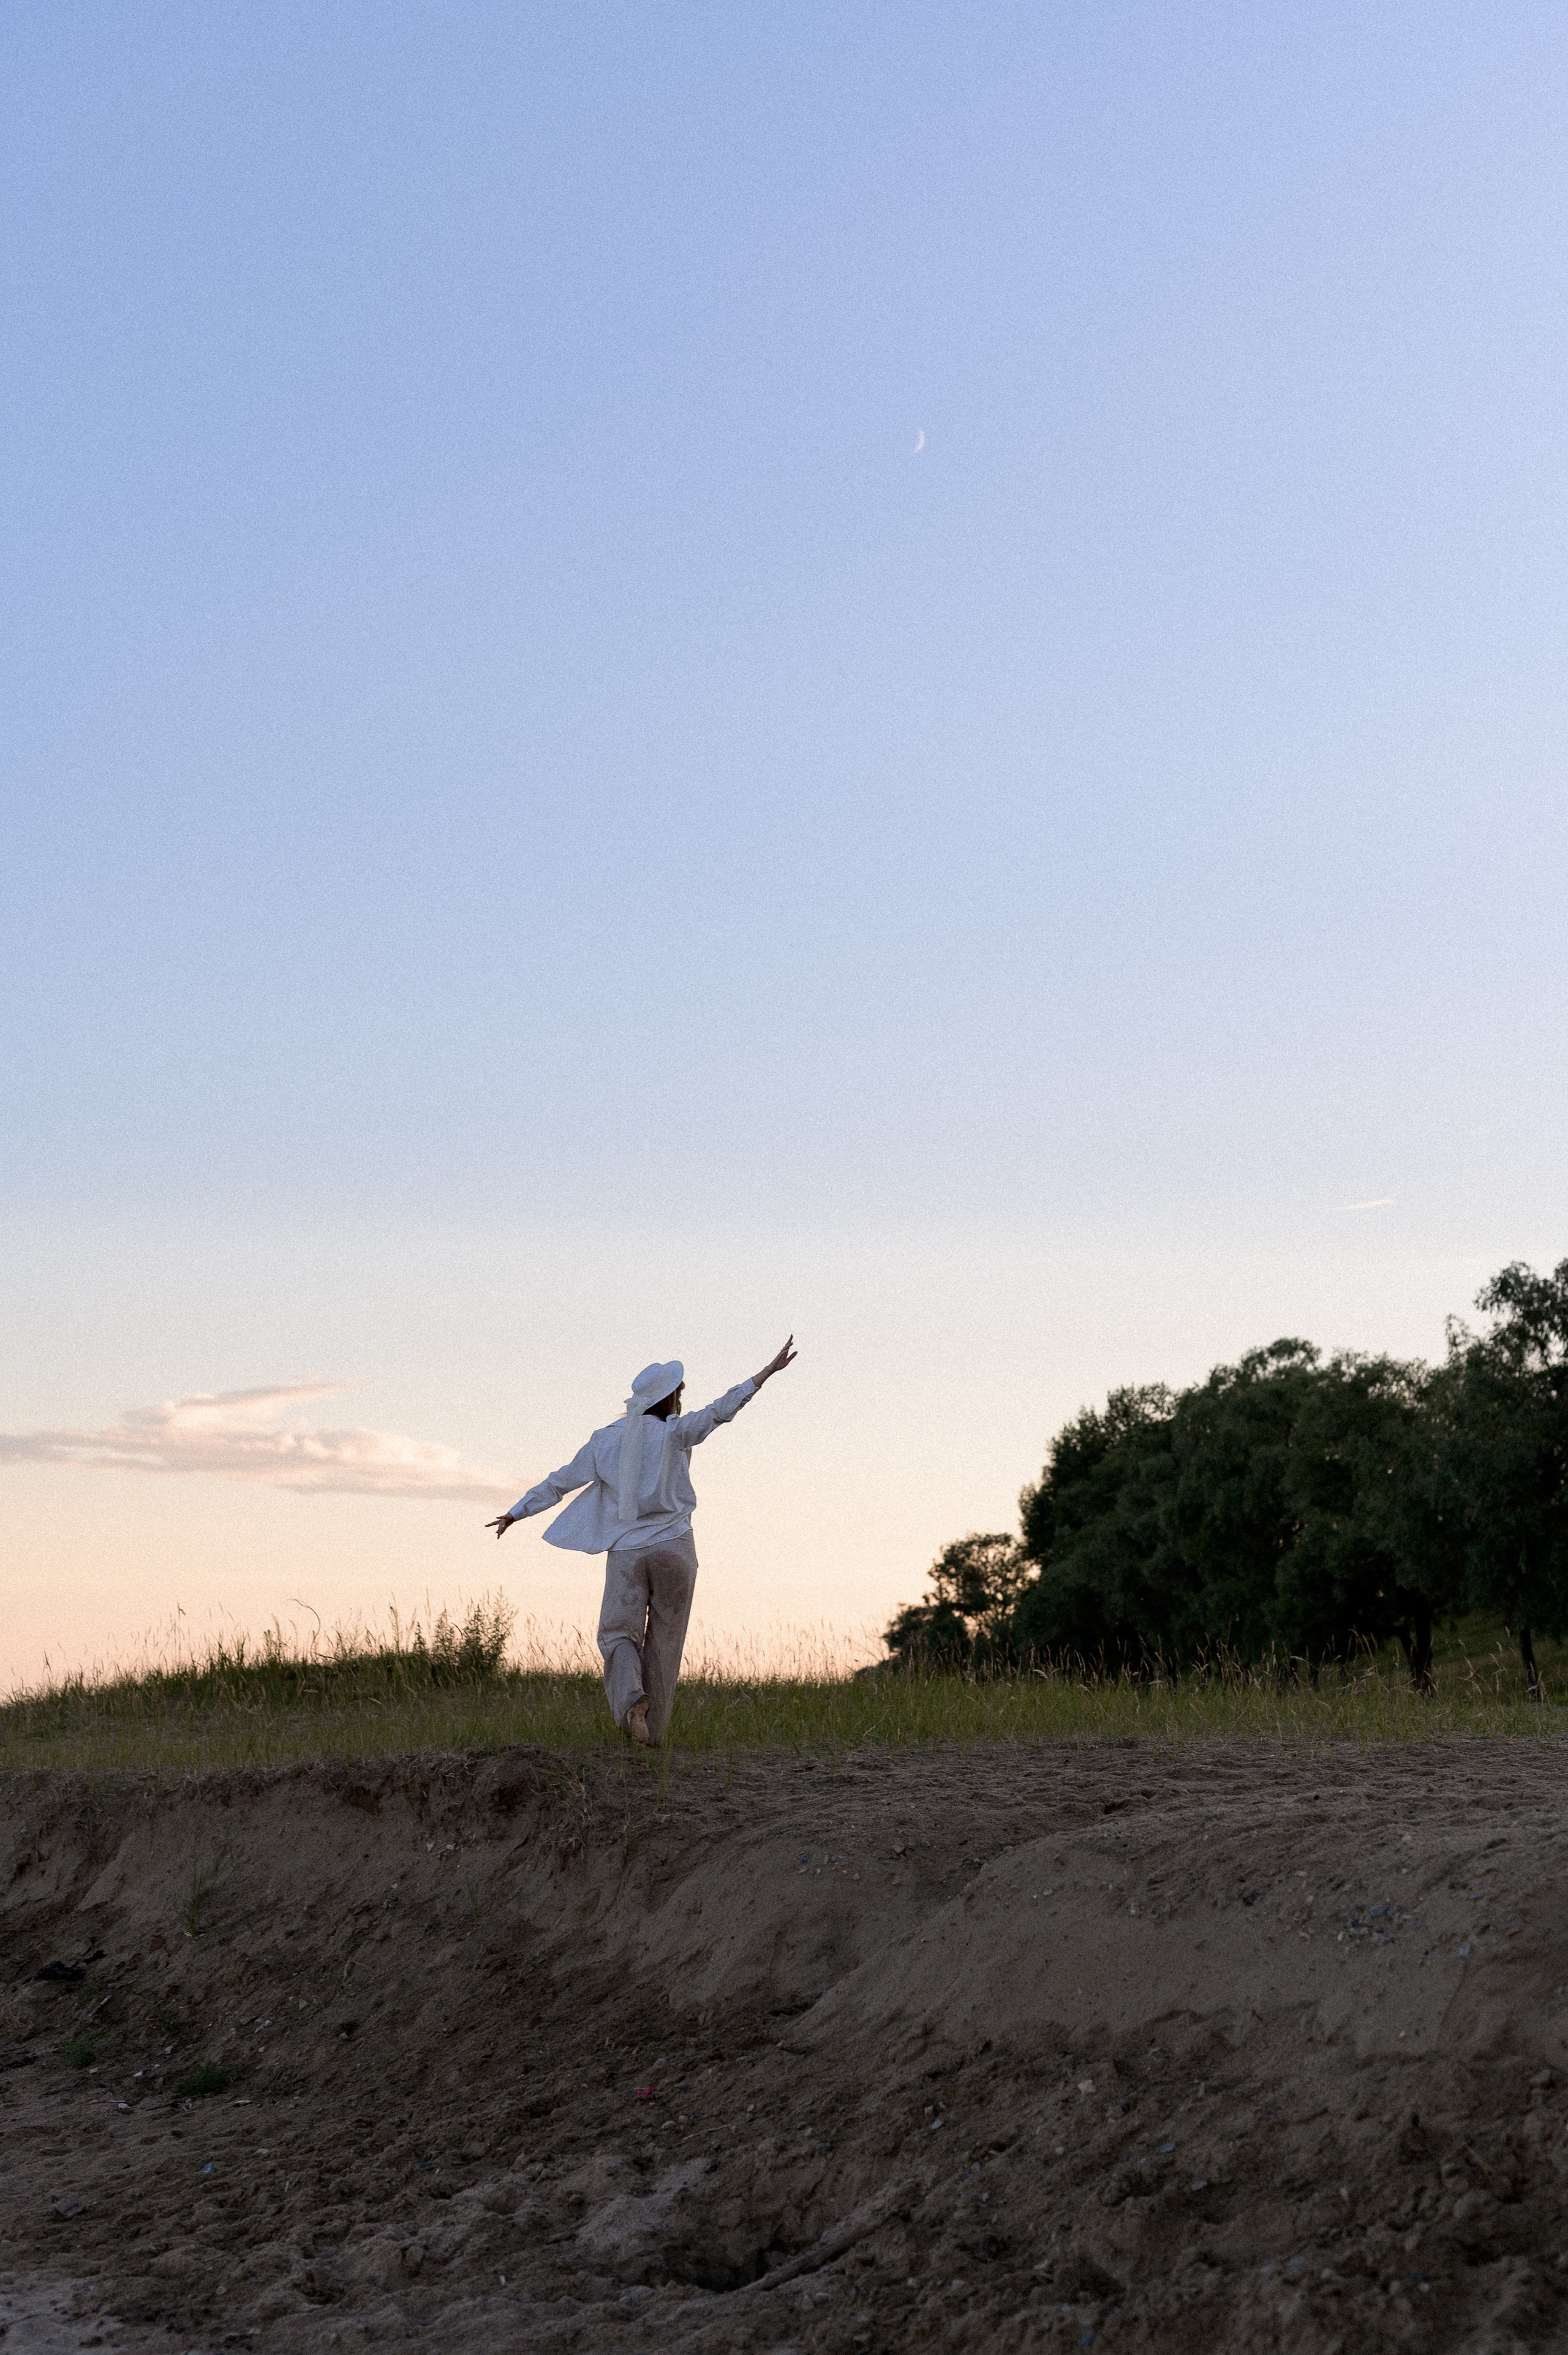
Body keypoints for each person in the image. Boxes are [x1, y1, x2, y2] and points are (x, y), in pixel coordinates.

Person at [487, 1339, 797, 1746]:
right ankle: (653, 1739)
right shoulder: (677, 1433)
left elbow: (560, 1481)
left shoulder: (605, 1440)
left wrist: (517, 1512)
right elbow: (721, 1411)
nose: (683, 1398)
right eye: (681, 1392)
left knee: (618, 1636)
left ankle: (633, 1701)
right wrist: (763, 1376)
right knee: (666, 1645)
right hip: (676, 1549)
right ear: (669, 1398)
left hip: (628, 1553)